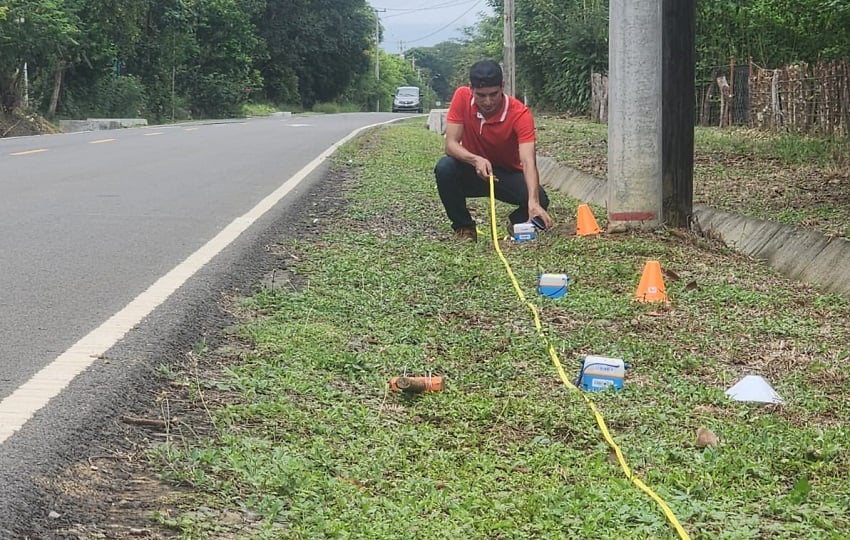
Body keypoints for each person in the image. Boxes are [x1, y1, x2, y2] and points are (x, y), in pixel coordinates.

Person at [434, 59, 553, 242]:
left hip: (505, 174)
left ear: (502, 87)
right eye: (481, 95)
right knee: (445, 168)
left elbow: (528, 161)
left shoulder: (520, 114)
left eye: (493, 94)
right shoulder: (461, 97)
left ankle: (516, 223)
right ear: (471, 88)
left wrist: (533, 202)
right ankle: (464, 227)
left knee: (540, 199)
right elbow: (450, 144)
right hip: (472, 171)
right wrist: (475, 160)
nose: (488, 101)